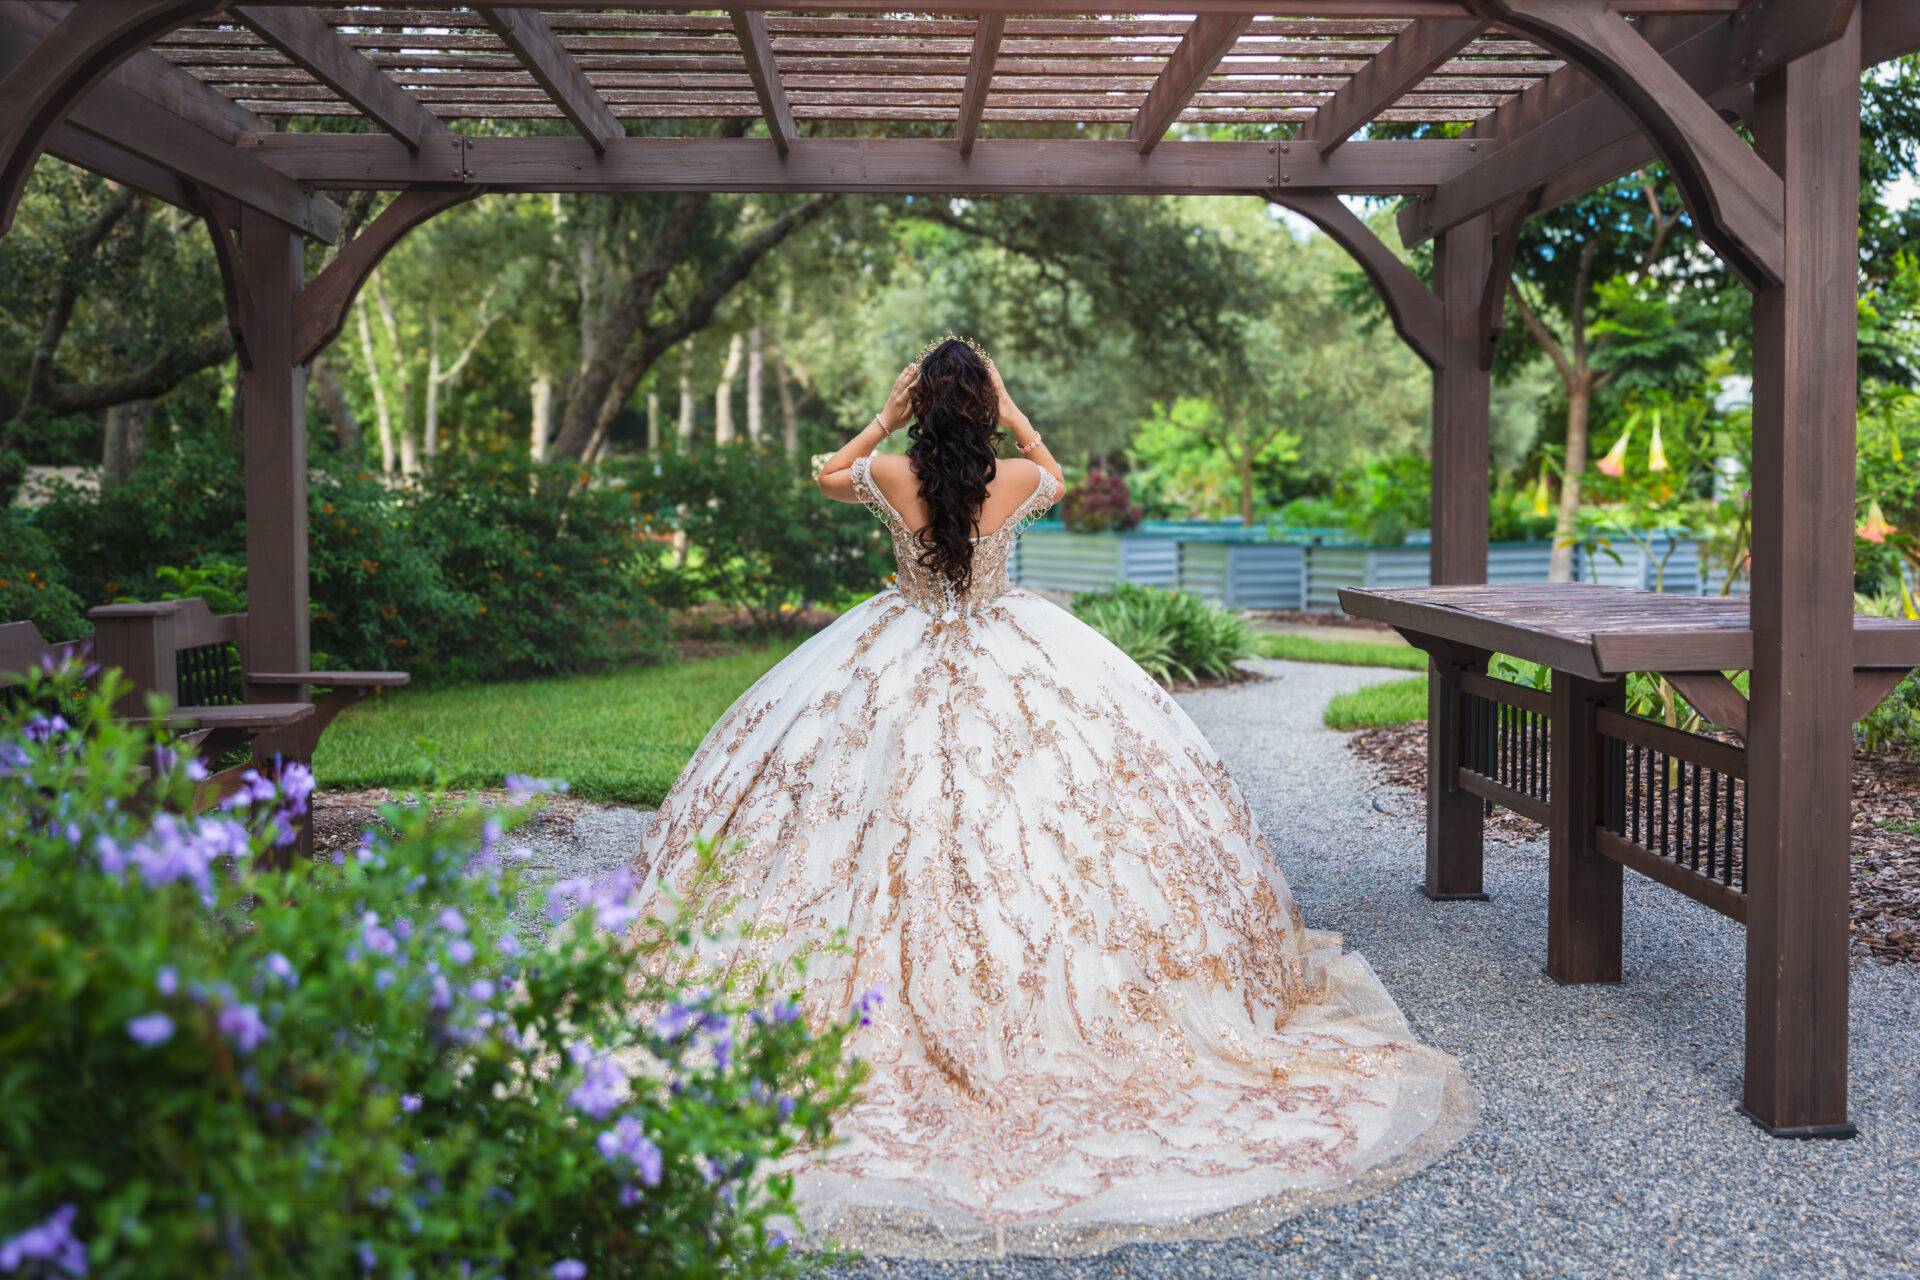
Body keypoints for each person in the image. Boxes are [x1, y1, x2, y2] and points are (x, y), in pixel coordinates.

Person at [631, 336, 1474, 1258]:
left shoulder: (882, 473)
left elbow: (824, 473)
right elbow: (1057, 475)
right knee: (1044, 826)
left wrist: (886, 414)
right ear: (983, 408)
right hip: (1008, 650)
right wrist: (1016, 411)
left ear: (922, 406)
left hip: (898, 646)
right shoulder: (1016, 484)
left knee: (870, 818)